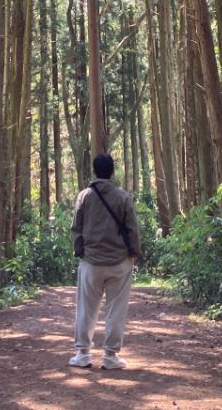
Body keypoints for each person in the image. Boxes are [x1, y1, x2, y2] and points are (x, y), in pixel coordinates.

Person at [69, 153, 141, 370]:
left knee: (86, 309)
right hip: (119, 263)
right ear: (112, 172)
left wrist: (81, 252)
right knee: (116, 310)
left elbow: (76, 228)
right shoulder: (122, 196)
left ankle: (82, 354)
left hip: (91, 263)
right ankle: (110, 357)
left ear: (94, 171)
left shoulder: (85, 196)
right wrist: (133, 253)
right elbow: (132, 228)